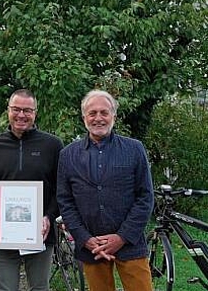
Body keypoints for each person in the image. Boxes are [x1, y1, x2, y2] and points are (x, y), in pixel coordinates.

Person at [57, 90, 154, 291]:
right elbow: (65, 201)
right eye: (92, 113)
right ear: (84, 117)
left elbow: (145, 197)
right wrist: (84, 239)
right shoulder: (68, 155)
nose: (98, 118)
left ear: (114, 116)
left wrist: (122, 237)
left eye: (104, 112)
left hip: (130, 243)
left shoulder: (134, 149)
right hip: (91, 246)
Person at [0, 89, 64, 291]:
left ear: (35, 112)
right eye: (16, 109)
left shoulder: (52, 145)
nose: (21, 115)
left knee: (40, 287)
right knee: (6, 288)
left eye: (27, 110)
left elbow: (61, 188)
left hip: (40, 233)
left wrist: (49, 217)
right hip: (3, 233)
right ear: (8, 110)